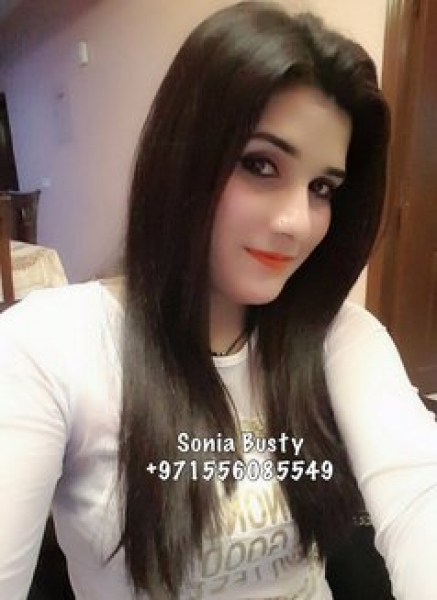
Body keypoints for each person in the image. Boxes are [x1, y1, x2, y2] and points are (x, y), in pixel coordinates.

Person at [1, 2, 436, 599]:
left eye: (322, 188)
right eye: (261, 165)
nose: (296, 222)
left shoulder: (338, 336)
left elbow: (420, 492)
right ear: (183, 156)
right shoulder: (52, 345)